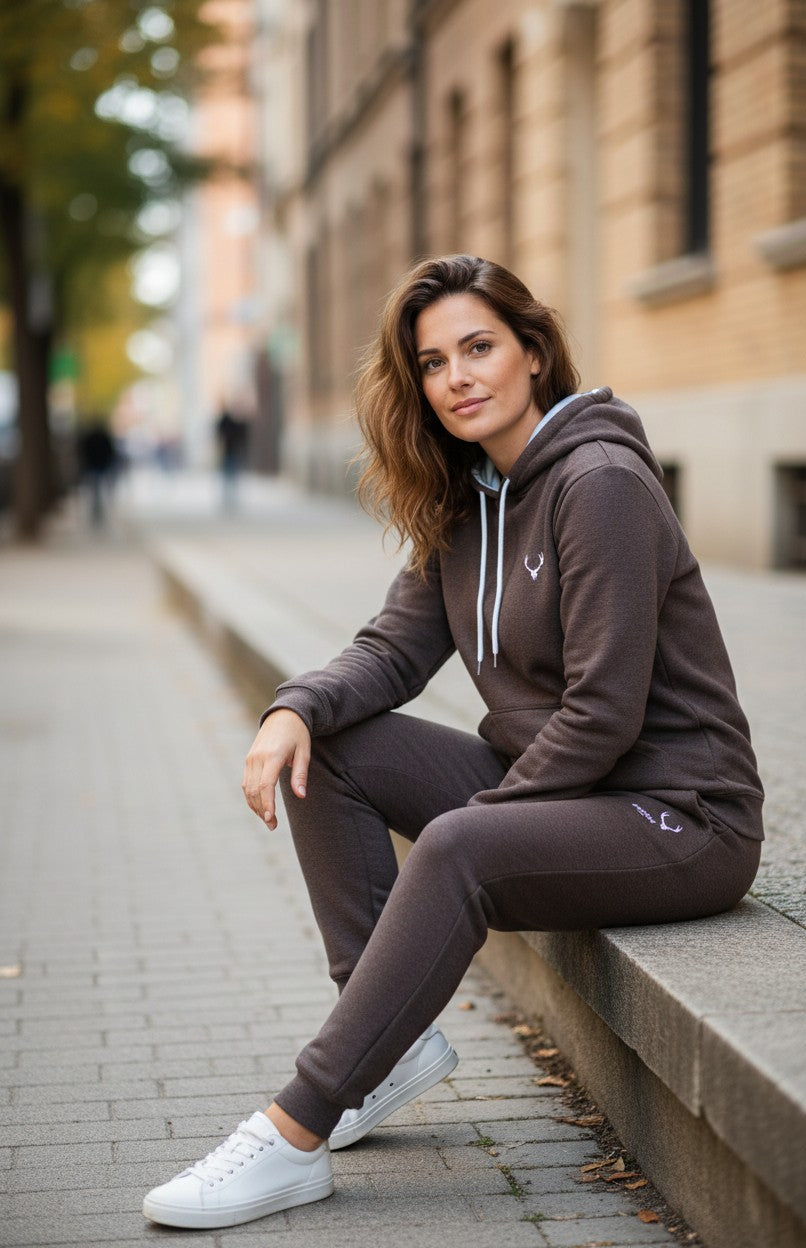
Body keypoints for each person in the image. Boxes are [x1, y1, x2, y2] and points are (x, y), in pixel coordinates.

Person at [143, 255, 764, 1229]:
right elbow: (392, 652)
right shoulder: (469, 496)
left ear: (533, 351)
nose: (457, 378)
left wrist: (464, 835)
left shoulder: (599, 484)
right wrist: (292, 708)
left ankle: (294, 1131)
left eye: (477, 347)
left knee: (458, 848)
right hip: (565, 788)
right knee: (333, 747)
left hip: (679, 816)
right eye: (432, 363)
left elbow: (604, 715)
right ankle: (384, 1043)